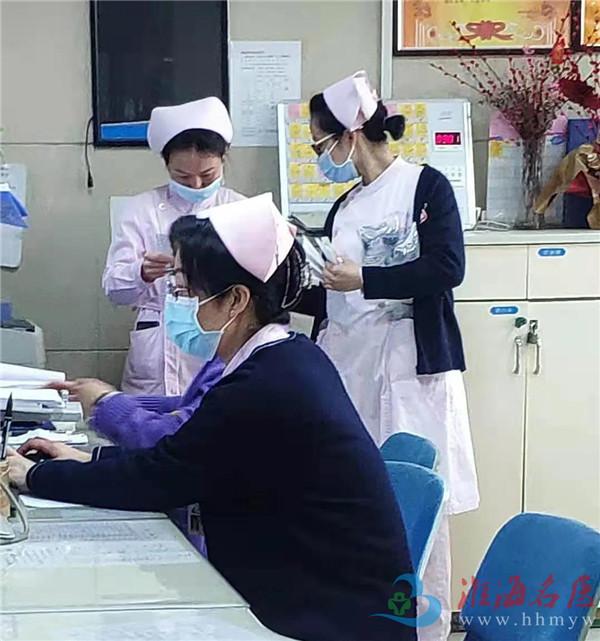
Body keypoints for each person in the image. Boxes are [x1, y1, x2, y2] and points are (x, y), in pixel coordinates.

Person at [8, 194, 417, 641]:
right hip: (320, 598)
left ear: (236, 299)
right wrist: (86, 460)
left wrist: (36, 476)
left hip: (331, 621)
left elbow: (160, 479)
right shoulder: (283, 358)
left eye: (187, 291)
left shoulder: (266, 385)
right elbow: (185, 456)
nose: (179, 302)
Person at [303, 70, 480, 641]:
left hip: (409, 368)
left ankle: (424, 630)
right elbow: (333, 294)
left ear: (350, 135)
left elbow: (447, 267)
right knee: (357, 498)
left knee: (419, 501)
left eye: (320, 144)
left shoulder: (426, 187)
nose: (320, 157)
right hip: (350, 365)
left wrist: (367, 278)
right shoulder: (344, 206)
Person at [103, 96, 245, 397]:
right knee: (152, 420)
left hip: (223, 338)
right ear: (166, 165)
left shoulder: (242, 210)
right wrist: (141, 272)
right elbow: (114, 289)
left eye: (207, 175)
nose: (196, 185)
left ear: (223, 159)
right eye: (183, 176)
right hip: (157, 349)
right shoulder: (141, 210)